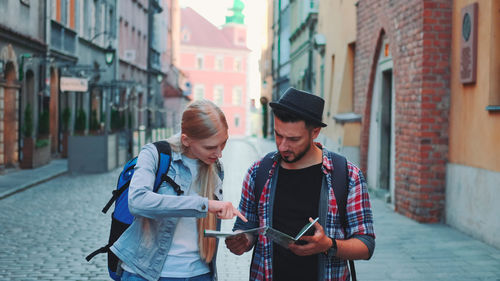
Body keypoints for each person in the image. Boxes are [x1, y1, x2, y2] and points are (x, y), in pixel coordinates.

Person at [226, 88, 375, 281]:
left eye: (293, 139)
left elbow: (366, 245)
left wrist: (328, 245)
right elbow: (246, 227)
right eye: (278, 135)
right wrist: (241, 241)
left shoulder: (346, 175)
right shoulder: (258, 172)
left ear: (315, 132)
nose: (282, 146)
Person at [111, 100, 247, 281]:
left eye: (223, 144)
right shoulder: (154, 155)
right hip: (146, 273)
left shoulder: (215, 167)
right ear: (186, 140)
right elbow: (137, 201)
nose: (219, 153)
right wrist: (204, 204)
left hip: (199, 273)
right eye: (210, 147)